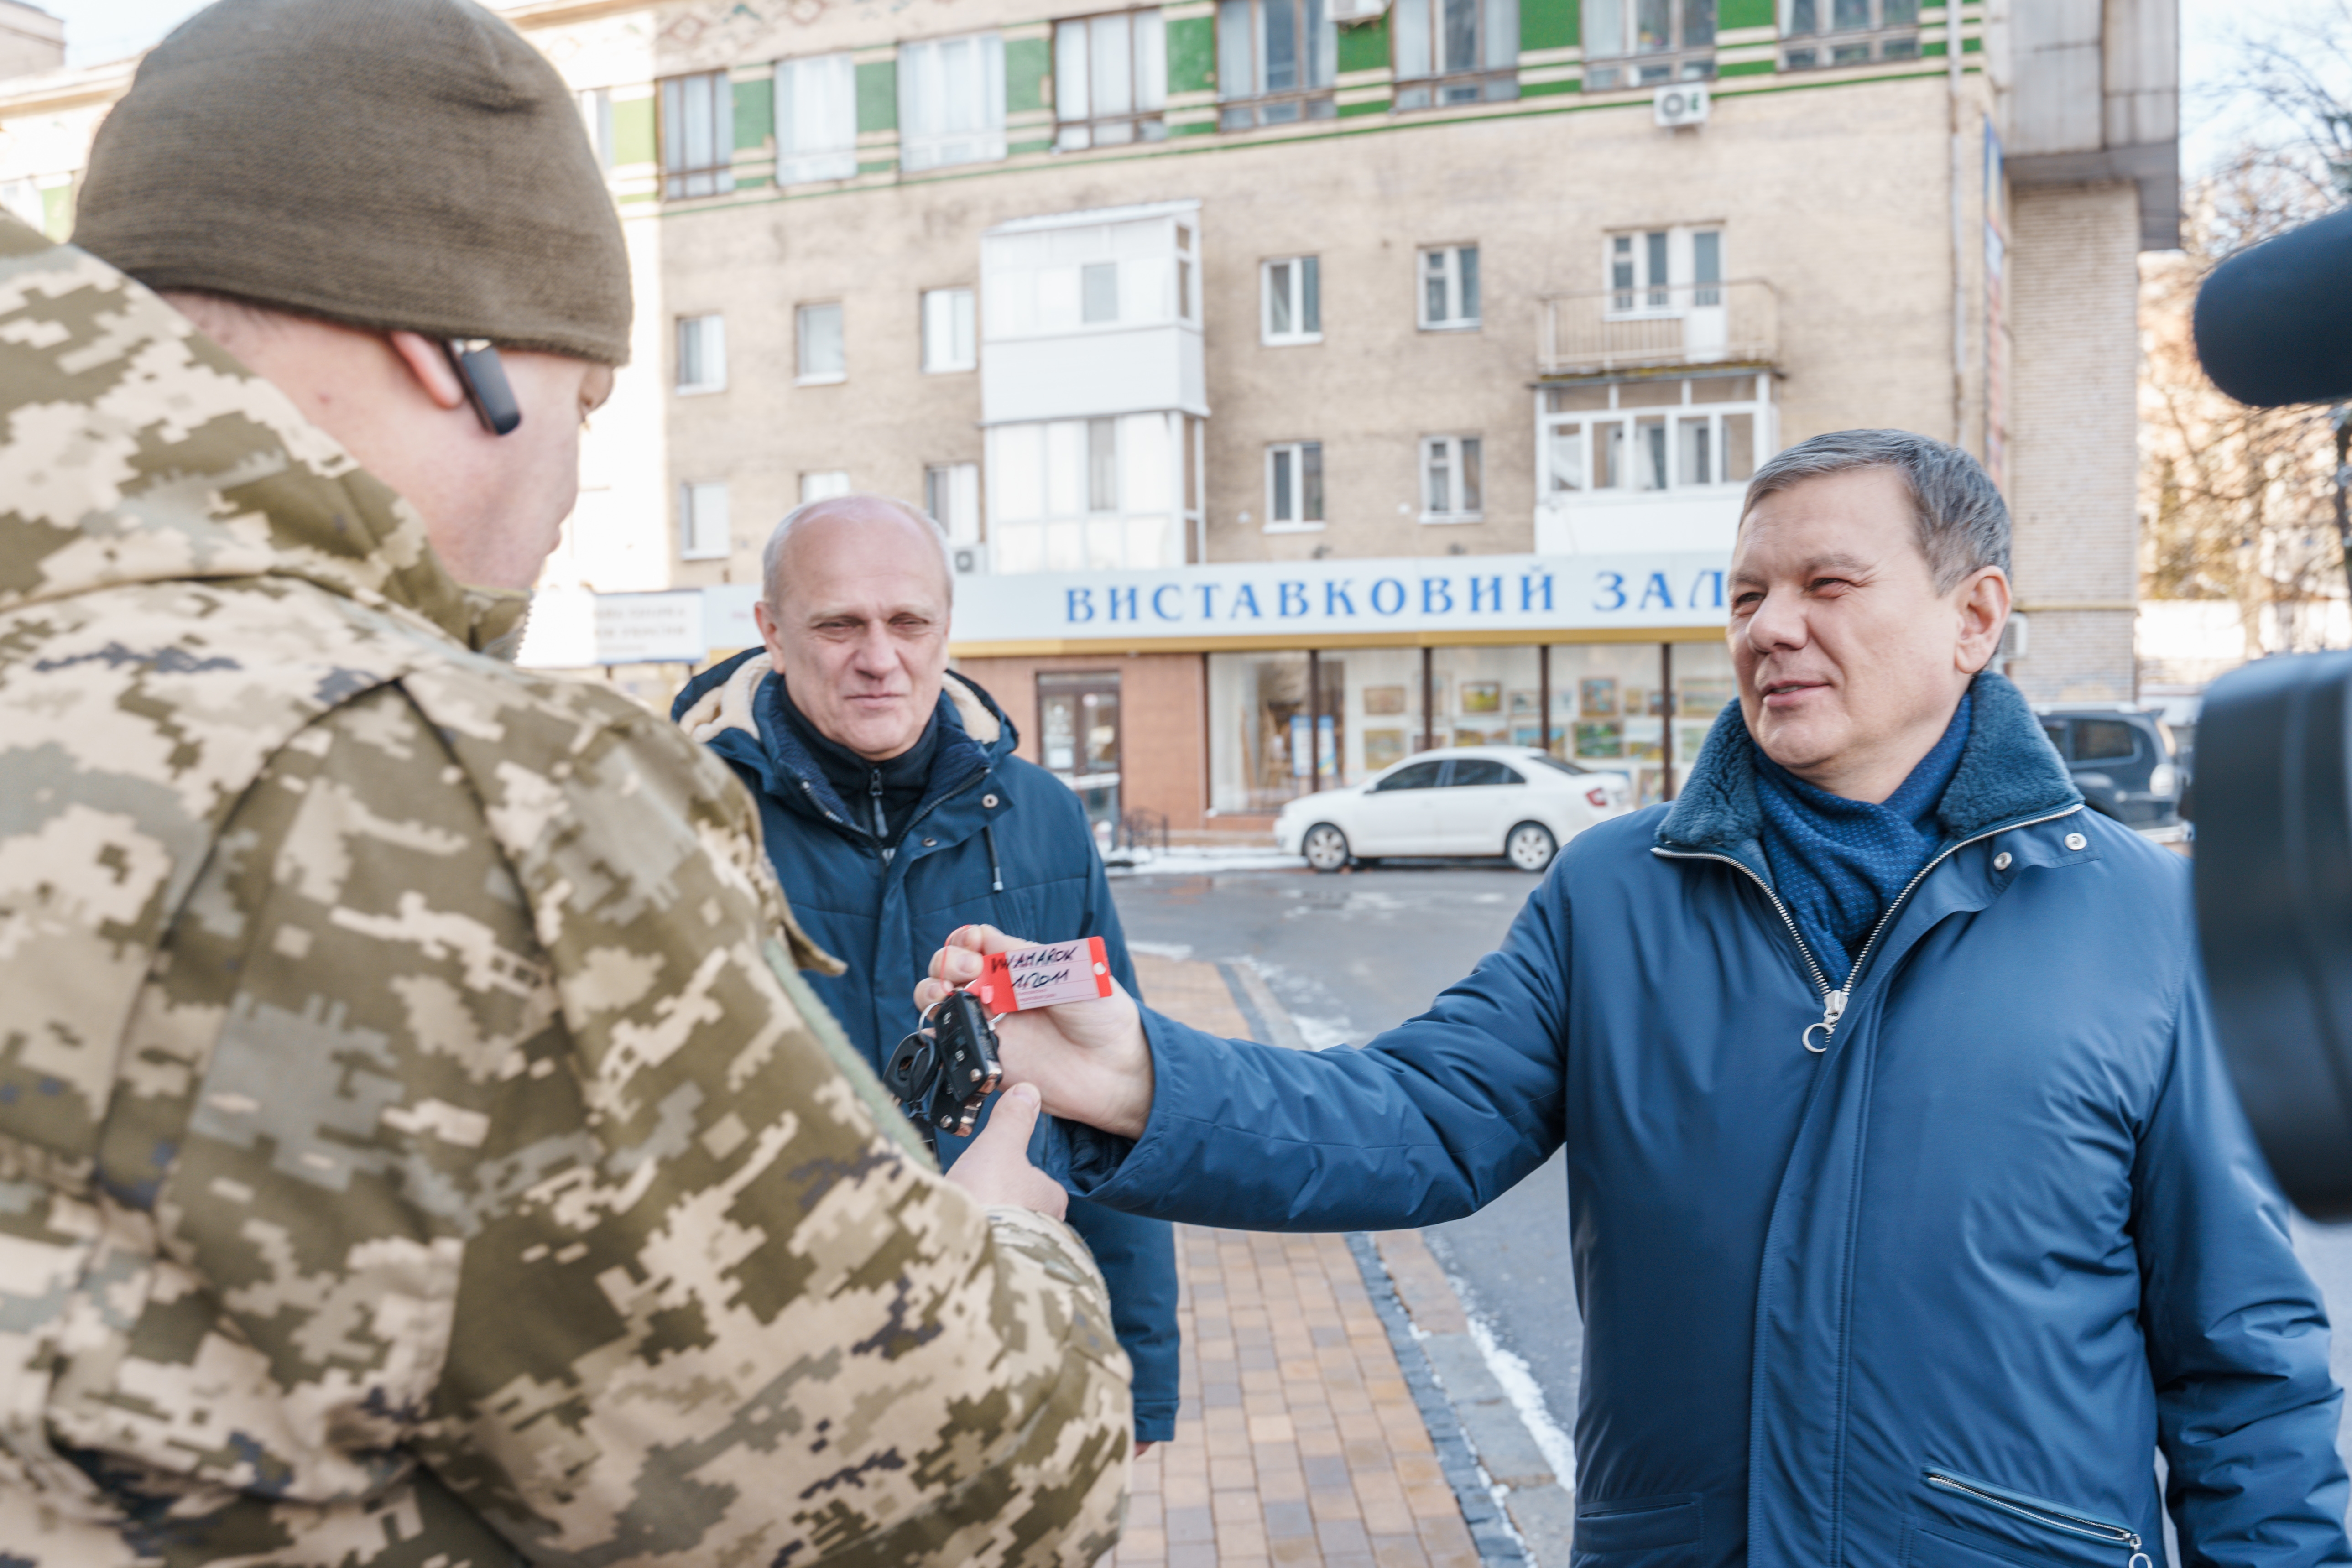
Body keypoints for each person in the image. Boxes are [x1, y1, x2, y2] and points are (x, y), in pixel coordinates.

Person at [0, 2, 1129, 1563]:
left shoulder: (1034, 812)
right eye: (582, 406)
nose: (568, 487)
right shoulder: (458, 795)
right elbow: (962, 1490)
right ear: (446, 347)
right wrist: (1004, 1231)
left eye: (911, 623)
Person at [924, 430, 2352, 1568]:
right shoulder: (1616, 892)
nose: (1769, 627)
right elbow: (1415, 1117)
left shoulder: (2148, 919)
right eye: (1745, 594)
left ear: (1974, 616)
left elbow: (2242, 1362)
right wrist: (1134, 1074)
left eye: (1826, 585)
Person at [673, 495, 1180, 1450]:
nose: (880, 656)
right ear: (772, 635)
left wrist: (1140, 1376)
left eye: (908, 622)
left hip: (1003, 1350)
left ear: (946, 628)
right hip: (763, 1380)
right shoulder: (678, 814)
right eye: (838, 625)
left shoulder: (1038, 820)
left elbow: (1114, 1111)